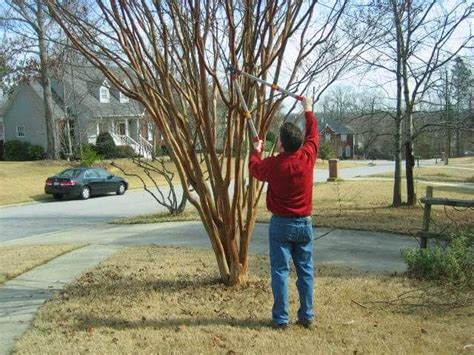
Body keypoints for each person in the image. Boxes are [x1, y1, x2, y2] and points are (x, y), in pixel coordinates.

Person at [249, 97, 319, 330]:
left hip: (280, 226)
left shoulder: (274, 164)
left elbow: (254, 169)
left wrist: (256, 151)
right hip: (304, 225)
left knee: (280, 271)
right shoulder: (308, 157)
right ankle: (307, 316)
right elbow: (313, 134)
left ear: (281, 144)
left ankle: (281, 319)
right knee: (305, 271)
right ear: (299, 143)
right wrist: (307, 108)